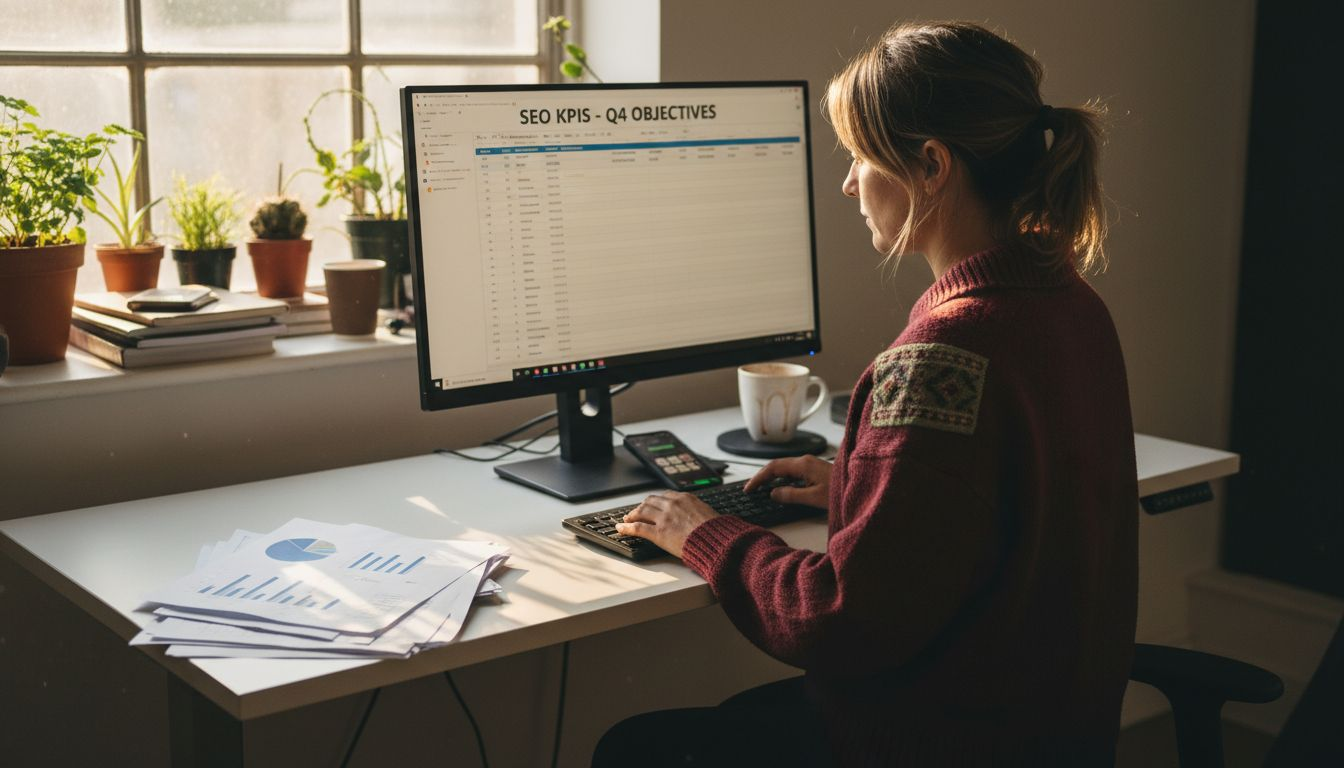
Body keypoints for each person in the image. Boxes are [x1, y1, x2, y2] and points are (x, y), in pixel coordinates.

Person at [594, 20, 1136, 768]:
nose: (849, 181)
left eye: (859, 156)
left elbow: (838, 624)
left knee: (636, 748)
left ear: (932, 166)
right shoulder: (1071, 304)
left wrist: (703, 533)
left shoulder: (942, 352)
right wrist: (858, 487)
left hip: (928, 742)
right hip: (1041, 730)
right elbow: (1004, 508)